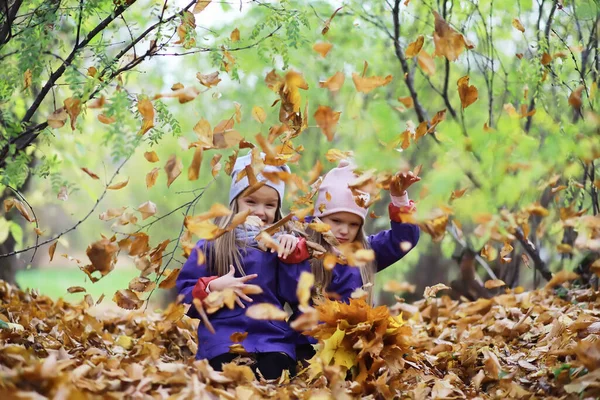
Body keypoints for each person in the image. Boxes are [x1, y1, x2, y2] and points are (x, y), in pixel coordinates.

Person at [176, 152, 309, 379]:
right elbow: (185, 296)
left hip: (271, 337)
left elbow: (296, 296)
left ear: (277, 209)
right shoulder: (213, 244)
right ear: (235, 202)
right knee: (226, 373)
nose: (259, 211)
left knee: (275, 371)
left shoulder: (282, 244)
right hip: (223, 337)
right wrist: (213, 287)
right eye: (251, 201)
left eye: (269, 204)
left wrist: (291, 258)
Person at [284, 159, 421, 363]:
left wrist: (399, 197)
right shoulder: (303, 249)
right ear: (319, 219)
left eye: (353, 224)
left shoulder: (365, 251)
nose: (344, 230)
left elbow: (404, 240)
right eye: (336, 221)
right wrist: (294, 255)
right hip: (311, 345)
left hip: (357, 344)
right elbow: (288, 290)